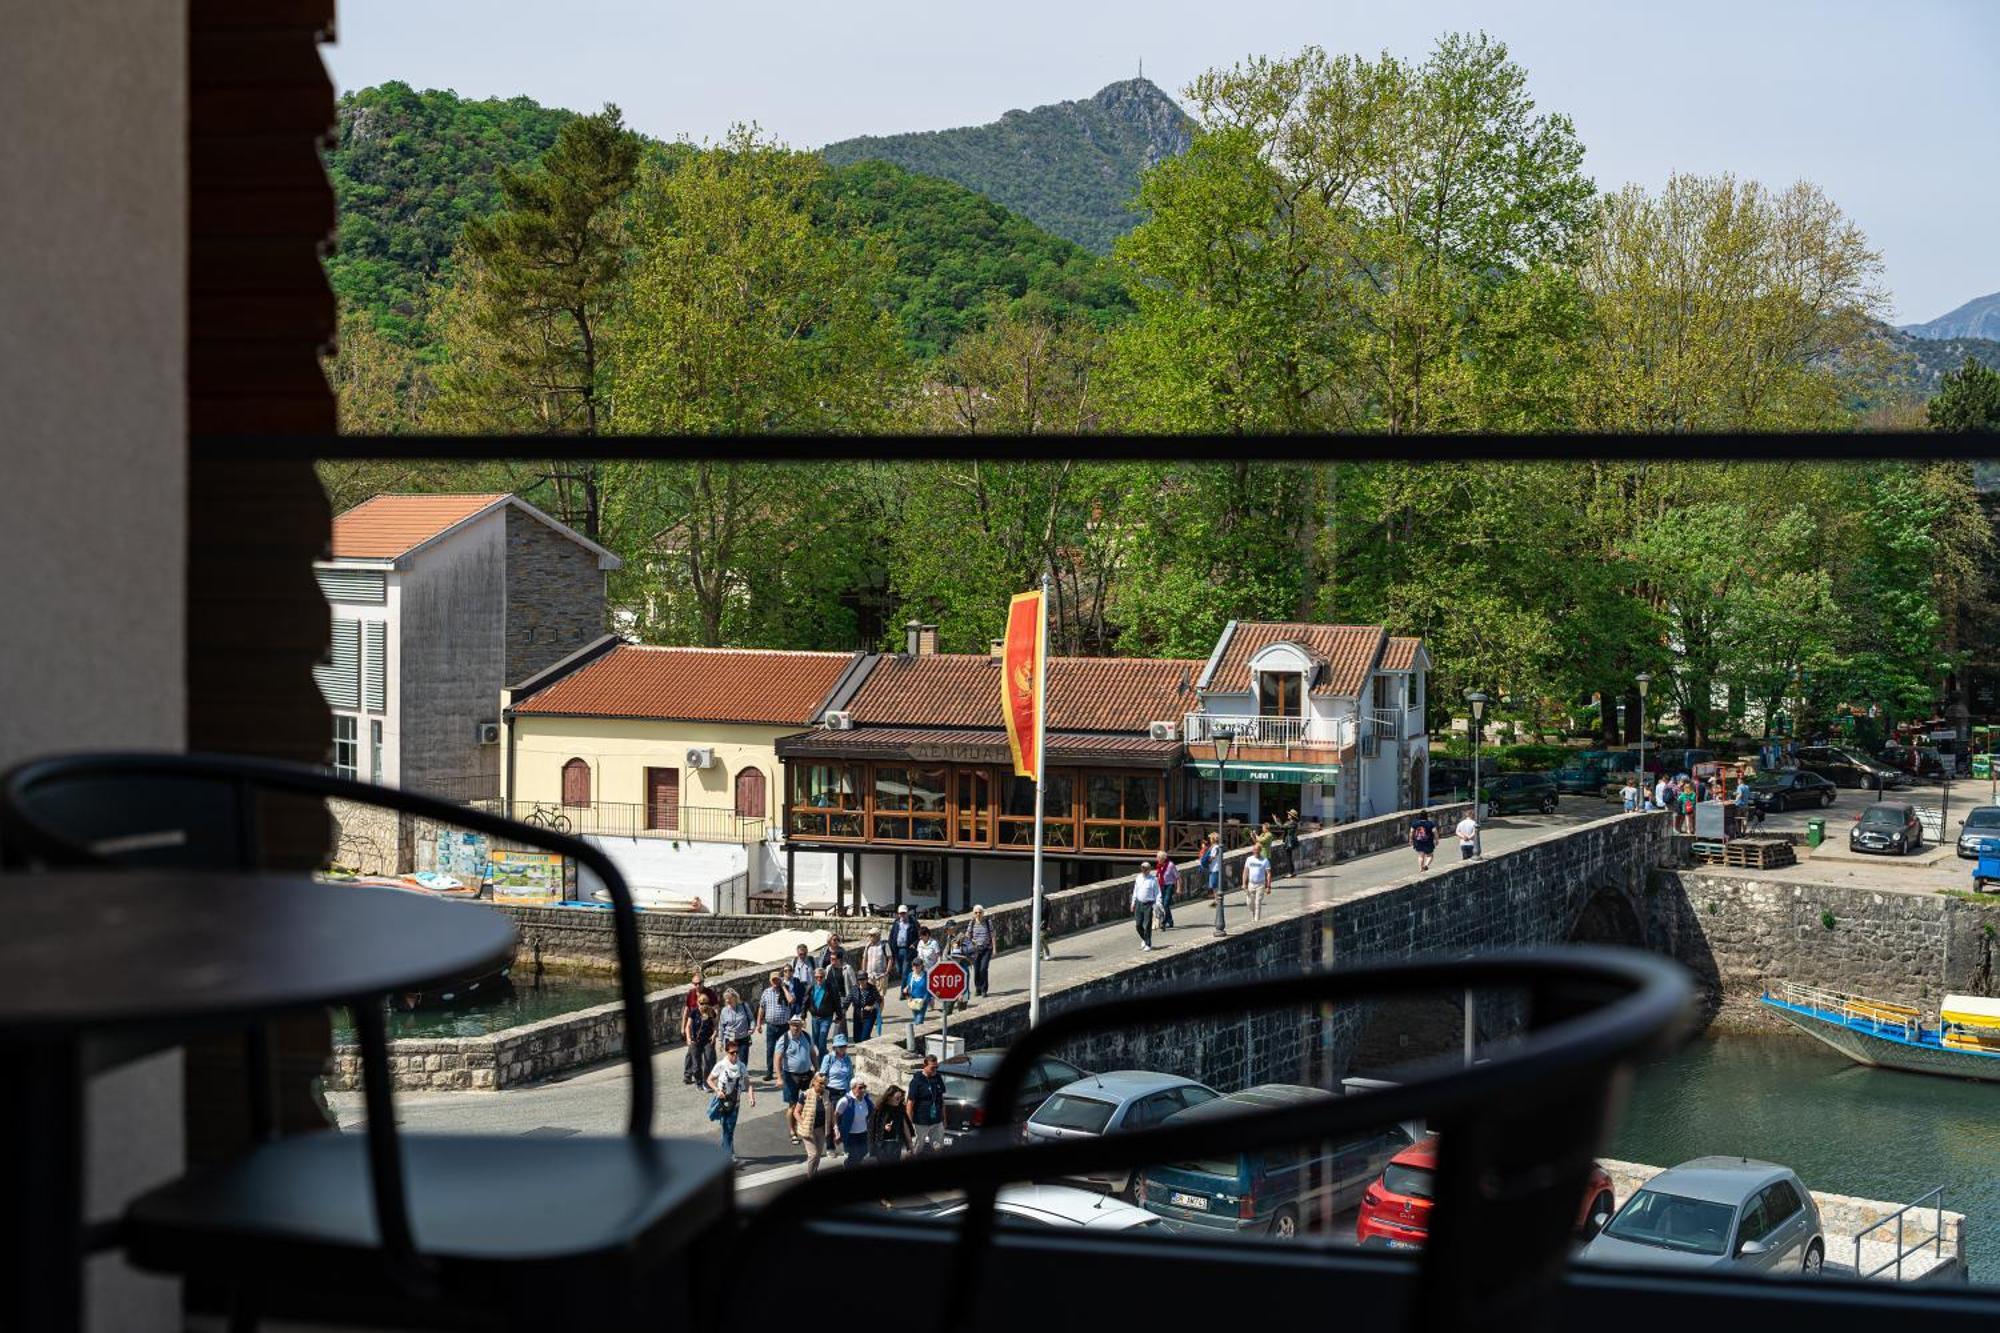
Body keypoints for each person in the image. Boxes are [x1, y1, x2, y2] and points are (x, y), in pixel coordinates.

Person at [706, 1036, 755, 1161]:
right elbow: (709, 1080)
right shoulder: (721, 1065)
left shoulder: (741, 1066)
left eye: (737, 1052)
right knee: (726, 1128)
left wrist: (751, 1097)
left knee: (729, 1129)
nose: (735, 1055)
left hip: (735, 1103)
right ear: (727, 1052)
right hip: (723, 1102)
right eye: (732, 1053)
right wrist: (717, 1090)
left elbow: (748, 1083)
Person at [870, 1084, 915, 1200]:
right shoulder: (879, 1109)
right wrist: (884, 1128)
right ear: (889, 1096)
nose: (899, 1100)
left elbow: (905, 1127)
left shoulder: (900, 1109)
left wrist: (910, 1145)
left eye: (900, 1098)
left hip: (896, 1144)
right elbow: (872, 1129)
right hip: (883, 1145)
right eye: (897, 1098)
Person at [778, 1017, 818, 1141]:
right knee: (793, 1105)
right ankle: (792, 1131)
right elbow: (777, 1058)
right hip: (791, 1076)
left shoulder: (806, 1036)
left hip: (807, 1074)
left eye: (798, 1025)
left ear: (802, 1025)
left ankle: (806, 1127)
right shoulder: (784, 1039)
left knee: (809, 1102)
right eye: (793, 1025)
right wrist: (779, 1077)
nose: (796, 1027)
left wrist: (817, 1069)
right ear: (789, 1025)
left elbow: (812, 1053)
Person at [906, 1053, 947, 1154]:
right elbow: (910, 1103)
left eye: (936, 1067)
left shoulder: (938, 1077)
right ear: (925, 1066)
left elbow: (941, 1099)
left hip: (936, 1120)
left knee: (938, 1148)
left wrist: (944, 1118)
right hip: (920, 1121)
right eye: (932, 1068)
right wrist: (909, 1124)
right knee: (915, 1150)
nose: (935, 1070)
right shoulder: (917, 1080)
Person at [755, 970, 791, 1081]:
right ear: (770, 981)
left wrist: (784, 987)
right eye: (773, 980)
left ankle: (785, 1072)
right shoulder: (766, 992)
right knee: (770, 1050)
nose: (775, 982)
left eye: (777, 979)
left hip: (784, 1026)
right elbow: (761, 1007)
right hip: (771, 1026)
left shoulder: (786, 990)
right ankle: (769, 1072)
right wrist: (758, 1024)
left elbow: (791, 1000)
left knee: (785, 1050)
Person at [833, 1079, 876, 1169]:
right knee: (855, 1155)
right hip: (850, 1134)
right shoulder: (844, 1101)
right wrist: (836, 1129)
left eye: (864, 1087)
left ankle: (849, 1164)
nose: (863, 1090)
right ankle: (848, 1165)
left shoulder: (866, 1100)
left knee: (863, 1152)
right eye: (860, 1088)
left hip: (863, 1132)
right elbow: (836, 1116)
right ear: (852, 1088)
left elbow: (874, 1112)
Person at [795, 1071, 831, 1176]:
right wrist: (803, 1122)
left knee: (818, 1155)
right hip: (808, 1129)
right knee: (813, 1155)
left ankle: (814, 1173)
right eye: (820, 1083)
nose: (822, 1086)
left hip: (820, 1129)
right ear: (814, 1082)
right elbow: (796, 1112)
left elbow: (830, 1110)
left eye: (824, 1083)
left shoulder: (826, 1094)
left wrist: (834, 1126)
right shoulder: (805, 1094)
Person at [716, 987, 754, 1072]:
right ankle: (734, 1080)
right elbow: (721, 1026)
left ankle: (741, 1078)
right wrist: (720, 1041)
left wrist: (752, 1028)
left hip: (743, 1038)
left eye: (729, 998)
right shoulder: (724, 1011)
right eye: (726, 999)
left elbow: (751, 1019)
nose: (727, 1001)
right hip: (730, 1039)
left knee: (743, 1061)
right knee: (732, 1061)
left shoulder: (744, 1006)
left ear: (735, 998)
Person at [684, 997, 718, 1089]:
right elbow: (688, 1026)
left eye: (705, 1003)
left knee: (708, 1060)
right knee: (696, 1064)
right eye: (701, 1003)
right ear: (698, 1003)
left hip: (707, 1040)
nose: (704, 1005)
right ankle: (698, 1081)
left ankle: (706, 1081)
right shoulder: (694, 1012)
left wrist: (714, 1035)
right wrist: (688, 1038)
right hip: (695, 1040)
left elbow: (715, 1026)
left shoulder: (711, 1012)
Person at [806, 967, 842, 1053]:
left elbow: (837, 1002)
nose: (819, 979)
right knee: (815, 1040)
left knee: (822, 1039)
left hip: (826, 1018)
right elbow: (806, 1001)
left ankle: (822, 1060)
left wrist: (839, 1016)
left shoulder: (831, 987)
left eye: (821, 977)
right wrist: (803, 1015)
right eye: (816, 977)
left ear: (824, 976)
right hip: (815, 1017)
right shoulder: (811, 987)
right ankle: (824, 1052)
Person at [962, 905, 994, 999]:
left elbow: (992, 935)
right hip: (975, 950)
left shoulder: (988, 922)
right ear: (973, 914)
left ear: (983, 913)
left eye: (980, 912)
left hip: (987, 949)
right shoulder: (971, 923)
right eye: (976, 912)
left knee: (983, 969)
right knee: (976, 970)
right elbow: (967, 935)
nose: (978, 914)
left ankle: (984, 990)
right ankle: (978, 988)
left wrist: (995, 949)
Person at [888, 903, 920, 995]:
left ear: (907, 913)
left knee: (905, 971)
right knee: (900, 971)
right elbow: (891, 936)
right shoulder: (896, 923)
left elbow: (919, 936)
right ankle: (910, 985)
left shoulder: (913, 922)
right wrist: (890, 949)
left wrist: (914, 944)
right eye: (900, 913)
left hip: (908, 950)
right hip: (897, 950)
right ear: (898, 914)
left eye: (904, 913)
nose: (902, 915)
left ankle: (903, 993)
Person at [1131, 859, 1159, 951]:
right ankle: (1144, 938)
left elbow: (1157, 893)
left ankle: (1148, 944)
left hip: (1148, 904)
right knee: (1138, 925)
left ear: (1149, 869)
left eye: (1146, 869)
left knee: (1147, 925)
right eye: (1143, 868)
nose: (1144, 870)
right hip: (1139, 903)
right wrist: (1133, 902)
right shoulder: (1138, 878)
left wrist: (1157, 904)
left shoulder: (1153, 879)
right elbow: (1135, 890)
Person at [818, 1031, 855, 1099]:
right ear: (835, 1047)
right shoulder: (828, 1058)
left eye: (844, 1046)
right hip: (830, 1091)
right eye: (840, 1046)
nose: (843, 1048)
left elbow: (851, 1076)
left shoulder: (847, 1058)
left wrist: (852, 1091)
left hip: (844, 1091)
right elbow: (822, 1075)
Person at [851, 972, 882, 1042]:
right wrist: (843, 1009)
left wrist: (872, 1007)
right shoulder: (854, 989)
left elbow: (879, 1000)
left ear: (867, 979)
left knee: (864, 1038)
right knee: (856, 1039)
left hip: (869, 1016)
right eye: (859, 979)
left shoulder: (872, 988)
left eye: (863, 979)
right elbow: (848, 1000)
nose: (861, 981)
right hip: (857, 1016)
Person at [1243, 846, 1272, 920]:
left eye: (1257, 850)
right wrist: (1244, 883)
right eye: (1254, 850)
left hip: (1260, 884)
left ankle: (1256, 921)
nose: (1256, 852)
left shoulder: (1265, 860)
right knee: (1249, 903)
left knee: (1258, 903)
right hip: (1251, 884)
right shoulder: (1249, 859)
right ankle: (1253, 915)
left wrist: (1268, 886)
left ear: (1260, 851)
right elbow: (1245, 872)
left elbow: (1268, 874)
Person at [787, 943, 815, 1014]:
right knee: (799, 1011)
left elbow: (818, 972)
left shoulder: (812, 960)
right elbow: (789, 974)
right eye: (800, 954)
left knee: (814, 1011)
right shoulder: (794, 961)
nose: (802, 956)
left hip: (810, 990)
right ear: (797, 953)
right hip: (798, 990)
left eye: (804, 954)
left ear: (807, 952)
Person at [1409, 808, 1438, 872]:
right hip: (1428, 842)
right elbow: (1435, 832)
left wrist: (1410, 840)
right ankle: (1426, 865)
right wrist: (1436, 840)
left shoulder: (1415, 823)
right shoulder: (1430, 823)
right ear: (1426, 816)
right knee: (1430, 855)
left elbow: (1411, 832)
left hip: (1418, 841)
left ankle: (1421, 868)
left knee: (1420, 856)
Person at [1155, 850, 1178, 928]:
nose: (1157, 859)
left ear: (1163, 858)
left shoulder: (1170, 865)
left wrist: (1179, 888)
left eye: (1158, 857)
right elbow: (1157, 876)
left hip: (1169, 886)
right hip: (1161, 886)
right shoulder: (1159, 865)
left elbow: (1178, 877)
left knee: (1166, 904)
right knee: (1164, 905)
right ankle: (1170, 921)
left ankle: (1164, 922)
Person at [1199, 831, 1223, 903]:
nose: (1209, 839)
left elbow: (1211, 858)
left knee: (1214, 885)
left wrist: (1204, 861)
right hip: (1214, 867)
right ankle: (1216, 899)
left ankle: (1217, 900)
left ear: (1213, 839)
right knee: (1214, 885)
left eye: (1210, 838)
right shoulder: (1216, 847)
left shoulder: (1215, 847)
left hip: (1215, 868)